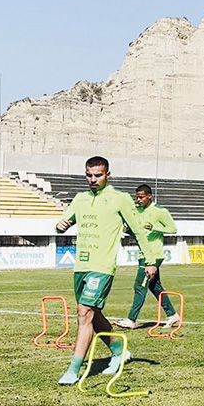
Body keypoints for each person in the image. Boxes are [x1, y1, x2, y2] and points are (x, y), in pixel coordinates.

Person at [54, 156, 159, 386]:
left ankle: (74, 369)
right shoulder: (80, 199)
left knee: (84, 313)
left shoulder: (120, 199)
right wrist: (60, 225)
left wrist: (150, 260)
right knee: (93, 314)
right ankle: (119, 350)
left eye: (98, 175)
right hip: (81, 265)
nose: (93, 179)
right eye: (89, 175)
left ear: (107, 175)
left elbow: (138, 231)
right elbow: (64, 222)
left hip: (103, 266)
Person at [113, 184, 179, 329]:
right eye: (137, 197)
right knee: (155, 286)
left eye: (141, 197)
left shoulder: (160, 211)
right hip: (143, 253)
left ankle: (131, 319)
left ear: (149, 196)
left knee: (139, 286)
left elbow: (173, 229)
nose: (138, 200)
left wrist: (154, 227)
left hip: (154, 255)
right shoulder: (137, 211)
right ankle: (173, 315)